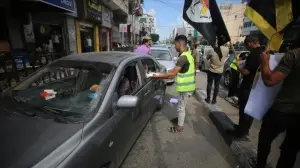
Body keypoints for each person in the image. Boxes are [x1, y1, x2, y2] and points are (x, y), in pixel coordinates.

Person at [256, 47, 300, 168]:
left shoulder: (294, 55)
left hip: (283, 109)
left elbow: (270, 80)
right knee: (291, 150)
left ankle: (260, 165)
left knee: (265, 138)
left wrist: (264, 62)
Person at [152, 35, 195, 133]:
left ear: (180, 43)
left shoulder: (183, 58)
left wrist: (157, 75)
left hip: (186, 88)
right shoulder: (188, 55)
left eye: (175, 44)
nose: (174, 46)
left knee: (181, 107)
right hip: (187, 87)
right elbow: (175, 70)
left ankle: (179, 127)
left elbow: (171, 74)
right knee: (180, 105)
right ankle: (180, 120)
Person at [227, 36, 262, 138]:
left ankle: (240, 133)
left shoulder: (254, 54)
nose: (247, 48)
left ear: (250, 43)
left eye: (247, 46)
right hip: (257, 87)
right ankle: (244, 130)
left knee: (244, 110)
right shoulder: (264, 51)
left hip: (248, 87)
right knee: (250, 111)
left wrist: (239, 66)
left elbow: (246, 72)